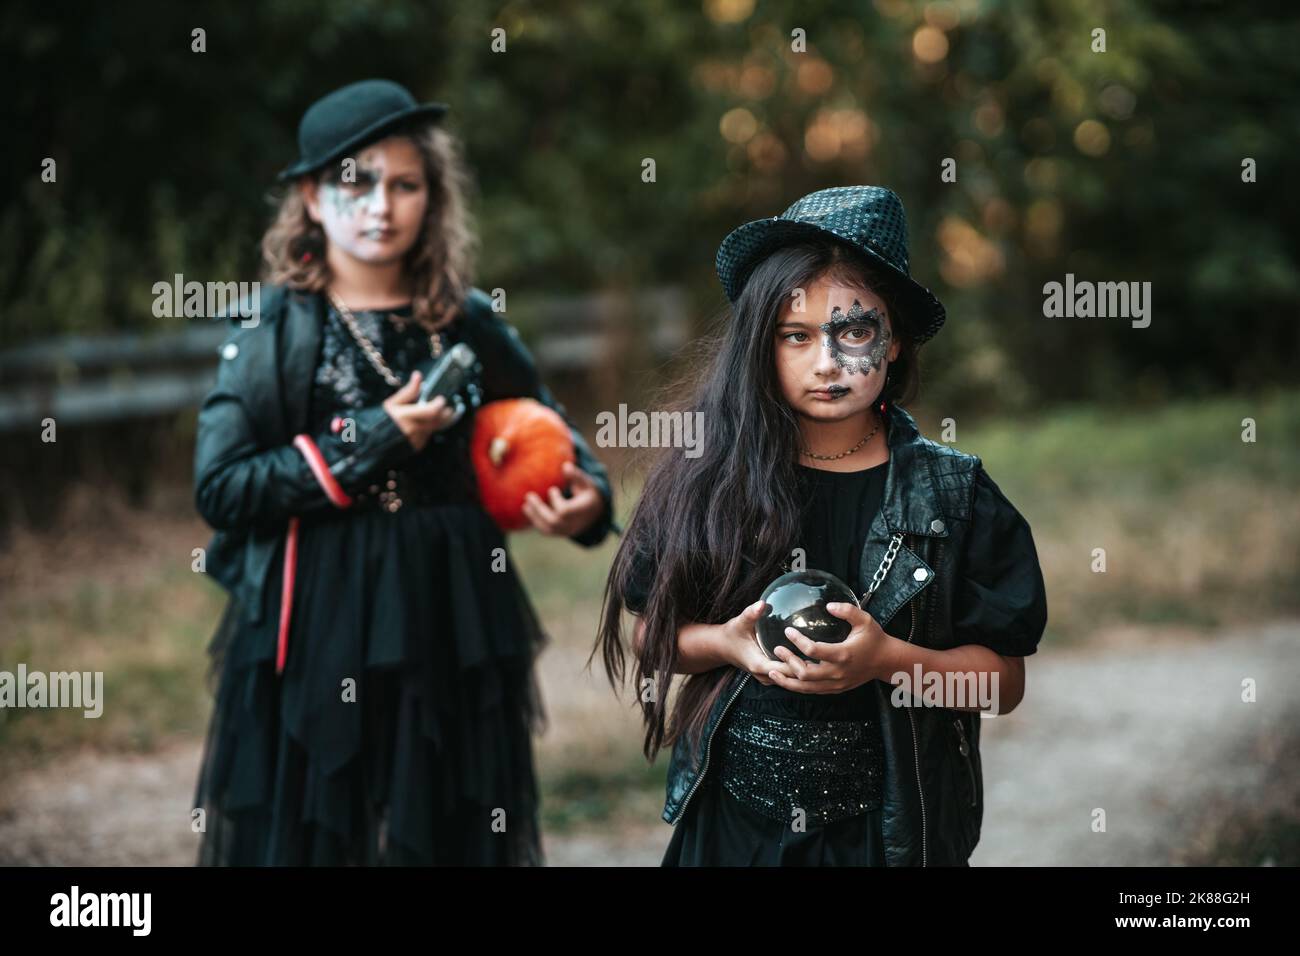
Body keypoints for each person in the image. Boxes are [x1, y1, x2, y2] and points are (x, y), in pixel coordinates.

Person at [191, 79, 615, 865]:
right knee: (322, 830)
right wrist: (373, 441)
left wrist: (586, 500)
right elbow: (222, 488)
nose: (380, 204)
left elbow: (549, 430)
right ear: (312, 200)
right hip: (319, 612)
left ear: (432, 198)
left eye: (404, 183)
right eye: (354, 181)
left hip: (450, 608)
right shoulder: (276, 331)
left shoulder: (467, 320)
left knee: (448, 824)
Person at [593, 186, 1048, 866]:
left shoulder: (956, 495)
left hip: (884, 839)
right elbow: (653, 639)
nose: (828, 362)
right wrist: (727, 643)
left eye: (854, 331)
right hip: (734, 832)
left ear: (892, 341)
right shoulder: (709, 479)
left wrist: (888, 662)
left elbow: (1000, 687)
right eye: (796, 336)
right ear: (762, 346)